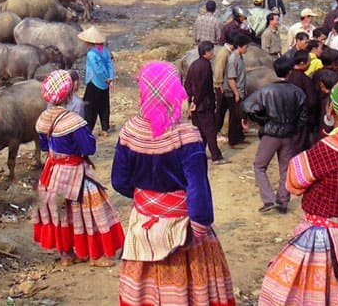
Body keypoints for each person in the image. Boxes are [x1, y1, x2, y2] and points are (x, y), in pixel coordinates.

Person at [113, 62, 236, 306]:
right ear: (173, 90)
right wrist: (199, 228)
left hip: (144, 225)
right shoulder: (187, 136)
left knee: (144, 289)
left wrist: (150, 199)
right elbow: (198, 190)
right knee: (192, 288)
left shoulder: (129, 132)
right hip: (184, 227)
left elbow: (119, 182)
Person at [258, 76, 338, 306]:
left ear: (332, 109)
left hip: (324, 236)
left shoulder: (328, 149)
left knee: (298, 293)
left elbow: (293, 181)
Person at [32, 70, 124, 267]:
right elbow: (88, 147)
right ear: (68, 94)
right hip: (74, 171)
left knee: (61, 213)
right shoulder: (73, 121)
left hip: (52, 171)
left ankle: (66, 254)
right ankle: (94, 255)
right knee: (91, 211)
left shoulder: (42, 119)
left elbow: (42, 146)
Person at [243, 57, 308, 215]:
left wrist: (262, 120)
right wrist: (294, 126)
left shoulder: (267, 90)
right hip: (289, 134)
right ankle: (283, 201)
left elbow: (247, 106)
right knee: (285, 169)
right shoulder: (297, 92)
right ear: (290, 72)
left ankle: (269, 199)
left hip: (271, 133)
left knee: (259, 166)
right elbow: (304, 117)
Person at [185, 41, 226, 164]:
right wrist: (196, 101)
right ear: (206, 52)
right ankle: (216, 156)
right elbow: (202, 87)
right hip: (204, 104)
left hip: (196, 104)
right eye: (212, 51)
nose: (213, 53)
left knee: (200, 131)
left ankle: (200, 154)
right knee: (210, 130)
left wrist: (191, 98)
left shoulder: (194, 64)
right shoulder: (206, 66)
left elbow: (187, 83)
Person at [79, 27, 114, 136]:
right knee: (104, 105)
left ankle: (88, 129)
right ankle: (105, 128)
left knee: (90, 107)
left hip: (94, 82)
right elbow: (110, 65)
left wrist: (104, 77)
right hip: (105, 84)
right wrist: (110, 78)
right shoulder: (105, 51)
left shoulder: (91, 54)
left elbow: (97, 69)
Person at [224, 34, 250, 147]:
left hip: (240, 90)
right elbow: (231, 78)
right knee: (234, 117)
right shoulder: (233, 59)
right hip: (234, 92)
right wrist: (236, 93)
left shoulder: (240, 57)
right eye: (246, 47)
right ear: (240, 46)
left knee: (239, 115)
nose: (246, 49)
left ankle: (240, 137)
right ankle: (233, 140)